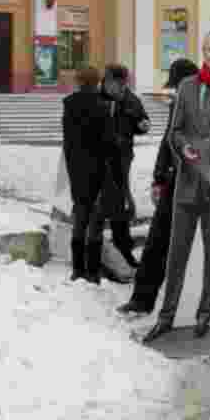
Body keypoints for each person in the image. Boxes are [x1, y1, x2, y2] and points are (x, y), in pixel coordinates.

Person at [143, 32, 210, 344]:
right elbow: (174, 132)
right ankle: (166, 316)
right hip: (187, 183)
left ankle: (205, 311)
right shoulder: (186, 88)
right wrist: (183, 149)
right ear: (203, 51)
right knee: (176, 254)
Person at [118, 57, 200, 315]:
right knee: (156, 241)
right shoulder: (179, 104)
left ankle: (189, 306)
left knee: (191, 248)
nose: (175, 91)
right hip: (174, 181)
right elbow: (167, 143)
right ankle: (141, 301)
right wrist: (159, 178)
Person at [87, 64, 151, 274]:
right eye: (118, 84)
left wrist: (143, 125)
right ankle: (93, 257)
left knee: (120, 208)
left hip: (121, 160)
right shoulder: (93, 99)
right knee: (97, 208)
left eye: (124, 84)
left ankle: (124, 251)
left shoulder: (130, 99)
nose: (122, 88)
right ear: (107, 82)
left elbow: (142, 119)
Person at [62, 66, 118, 283]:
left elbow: (68, 142)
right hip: (99, 169)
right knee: (95, 221)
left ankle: (77, 270)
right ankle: (93, 273)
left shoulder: (69, 104)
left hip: (77, 169)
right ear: (97, 82)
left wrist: (71, 168)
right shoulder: (103, 106)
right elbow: (109, 142)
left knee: (80, 218)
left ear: (78, 81)